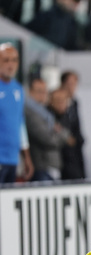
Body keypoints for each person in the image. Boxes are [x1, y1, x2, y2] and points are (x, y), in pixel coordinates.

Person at [25, 78, 72, 181]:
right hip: (42, 165)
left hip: (51, 165)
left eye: (45, 91)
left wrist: (58, 131)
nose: (43, 94)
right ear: (30, 91)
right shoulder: (30, 112)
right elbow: (48, 139)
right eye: (39, 91)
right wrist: (63, 135)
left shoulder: (43, 111)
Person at [0, 43, 34, 185]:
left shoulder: (18, 89)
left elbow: (20, 123)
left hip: (12, 158)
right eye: (6, 60)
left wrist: (26, 156)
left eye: (14, 60)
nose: (11, 64)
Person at [60, 71, 86, 180]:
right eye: (70, 84)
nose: (72, 87)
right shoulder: (57, 101)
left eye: (74, 84)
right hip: (63, 151)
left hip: (75, 150)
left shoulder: (75, 102)